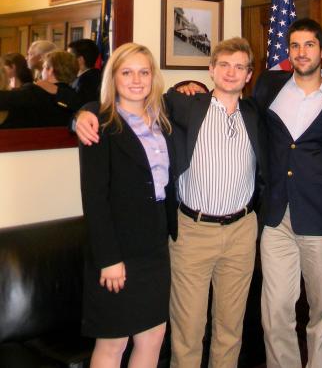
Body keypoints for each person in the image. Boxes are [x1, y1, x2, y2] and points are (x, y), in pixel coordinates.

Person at [77, 37, 266, 368]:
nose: (231, 72)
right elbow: (96, 191)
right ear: (210, 70)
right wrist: (82, 113)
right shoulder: (183, 106)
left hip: (236, 232)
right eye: (224, 65)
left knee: (227, 330)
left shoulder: (254, 115)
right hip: (191, 232)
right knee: (186, 333)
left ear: (250, 74)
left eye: (240, 67)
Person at [254, 18, 322, 368]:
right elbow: (243, 113)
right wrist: (186, 89)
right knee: (275, 309)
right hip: (277, 216)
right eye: (294, 45)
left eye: (309, 45)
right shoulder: (269, 86)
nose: (301, 52)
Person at [78, 42, 176, 368]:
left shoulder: (162, 119)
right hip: (118, 251)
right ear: (113, 77)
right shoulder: (99, 123)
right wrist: (109, 259)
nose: (136, 80)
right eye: (127, 72)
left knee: (153, 337)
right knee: (114, 342)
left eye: (144, 72)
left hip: (155, 247)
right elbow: (94, 198)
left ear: (153, 77)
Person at [0, 50, 81, 128]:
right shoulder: (72, 97)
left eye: (44, 67)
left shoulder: (34, 91)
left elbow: (5, 99)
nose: (42, 72)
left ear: (50, 70)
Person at [68, 38, 102, 104]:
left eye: (69, 57)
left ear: (80, 60)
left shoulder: (86, 82)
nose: (66, 60)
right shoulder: (96, 75)